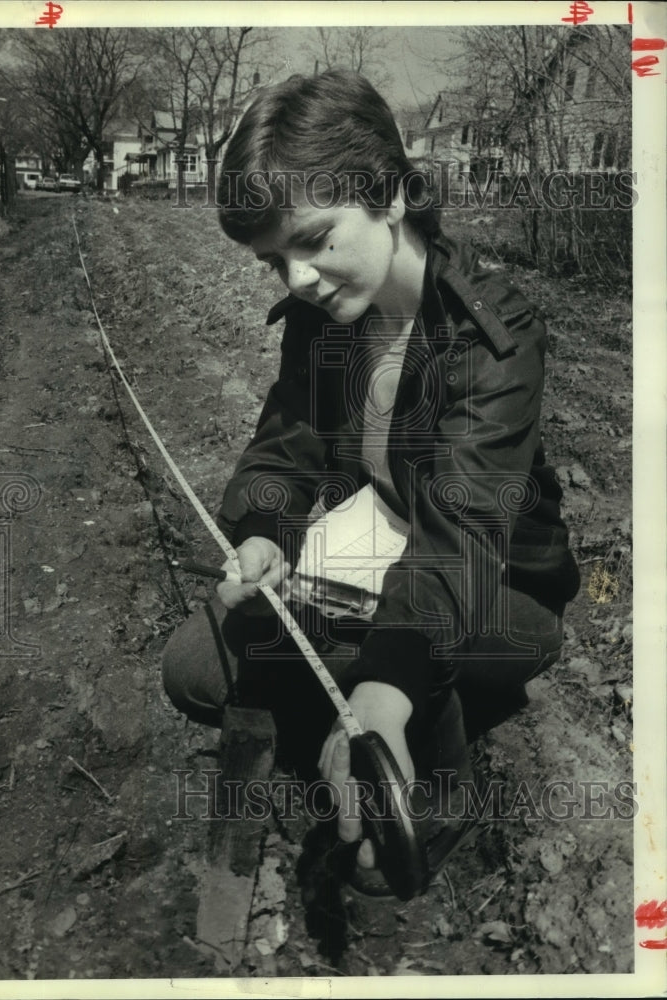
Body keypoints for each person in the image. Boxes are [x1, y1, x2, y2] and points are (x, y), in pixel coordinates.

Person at [161, 70, 580, 897]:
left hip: (493, 580)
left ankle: (433, 746)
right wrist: (263, 535)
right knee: (194, 667)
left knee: (387, 852)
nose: (299, 279)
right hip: (384, 530)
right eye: (275, 259)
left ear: (389, 196)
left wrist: (385, 692)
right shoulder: (324, 320)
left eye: (315, 239)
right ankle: (376, 708)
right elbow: (284, 452)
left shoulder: (491, 333)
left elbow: (460, 533)